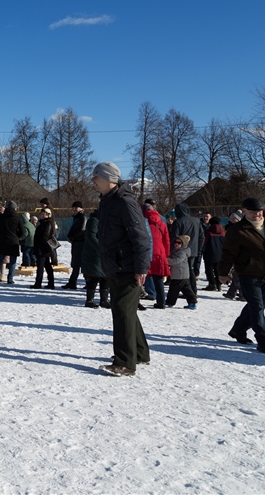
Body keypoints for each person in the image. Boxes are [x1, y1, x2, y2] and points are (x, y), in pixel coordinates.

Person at [92, 162, 151, 377]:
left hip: (127, 265)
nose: (93, 180)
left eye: (96, 176)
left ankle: (125, 362)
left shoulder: (125, 202)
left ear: (109, 179)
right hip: (115, 265)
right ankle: (140, 353)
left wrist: (141, 266)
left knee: (122, 311)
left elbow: (140, 236)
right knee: (125, 309)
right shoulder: (107, 201)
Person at [218, 198, 265, 354]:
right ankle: (264, 341)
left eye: (259, 212)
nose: (256, 215)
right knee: (257, 307)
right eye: (252, 212)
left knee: (258, 306)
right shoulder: (237, 230)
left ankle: (238, 329)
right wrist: (223, 273)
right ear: (244, 212)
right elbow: (228, 254)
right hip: (248, 274)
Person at [171, 203, 203, 295]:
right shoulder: (196, 221)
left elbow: (174, 237)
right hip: (193, 250)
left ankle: (190, 291)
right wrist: (199, 248)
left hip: (181, 250)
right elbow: (202, 236)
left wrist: (173, 250)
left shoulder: (178, 222)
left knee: (185, 271)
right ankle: (192, 290)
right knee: (190, 270)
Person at [0, 201, 24, 284]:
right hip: (13, 241)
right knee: (12, 260)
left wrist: (1, 235)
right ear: (15, 208)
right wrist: (17, 236)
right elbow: (22, 231)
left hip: (3, 240)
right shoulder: (17, 217)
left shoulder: (1, 217)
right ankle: (10, 278)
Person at [144, 204, 171, 309]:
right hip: (160, 253)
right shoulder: (162, 224)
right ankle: (161, 301)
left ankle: (138, 299)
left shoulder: (143, 223)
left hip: (147, 252)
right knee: (159, 279)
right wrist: (166, 254)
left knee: (141, 276)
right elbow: (167, 241)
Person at [81, 210, 109, 308]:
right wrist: (101, 248)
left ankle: (104, 300)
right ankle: (89, 300)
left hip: (105, 251)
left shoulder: (108, 220)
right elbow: (91, 236)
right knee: (95, 276)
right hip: (94, 253)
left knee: (106, 276)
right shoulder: (94, 220)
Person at [166, 236, 198, 309]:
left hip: (180, 274)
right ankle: (192, 302)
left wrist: (165, 260)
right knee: (186, 289)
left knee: (173, 289)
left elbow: (176, 261)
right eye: (175, 242)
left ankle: (170, 302)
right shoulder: (176, 250)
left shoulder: (182, 252)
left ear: (183, 244)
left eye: (179, 243)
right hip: (180, 274)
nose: (176, 244)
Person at [62, 202, 87, 289]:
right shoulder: (77, 217)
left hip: (80, 242)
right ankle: (73, 281)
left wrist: (73, 237)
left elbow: (82, 230)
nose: (74, 209)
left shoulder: (82, 217)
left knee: (79, 263)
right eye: (73, 207)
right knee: (76, 263)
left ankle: (86, 282)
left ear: (81, 208)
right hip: (77, 242)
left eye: (76, 207)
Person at [31, 208, 56, 289]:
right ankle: (50, 283)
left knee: (41, 266)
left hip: (43, 248)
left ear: (48, 215)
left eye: (43, 214)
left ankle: (38, 283)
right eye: (41, 214)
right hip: (42, 248)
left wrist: (39, 243)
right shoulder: (43, 223)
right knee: (47, 265)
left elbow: (45, 236)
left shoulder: (47, 223)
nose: (41, 216)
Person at [202, 217, 225, 291]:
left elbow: (204, 242)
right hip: (220, 253)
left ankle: (212, 284)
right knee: (217, 269)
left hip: (209, 252)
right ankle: (219, 284)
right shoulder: (223, 232)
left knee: (209, 270)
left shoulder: (208, 232)